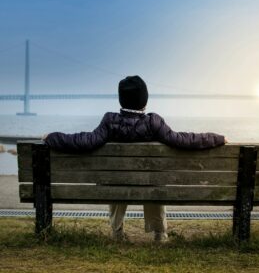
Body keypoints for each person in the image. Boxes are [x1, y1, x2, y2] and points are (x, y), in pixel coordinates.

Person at [44, 75, 226, 242]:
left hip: (117, 183)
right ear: (144, 100)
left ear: (121, 99)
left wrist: (52, 137)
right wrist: (217, 138)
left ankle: (117, 232)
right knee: (154, 182)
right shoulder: (154, 122)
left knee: (115, 180)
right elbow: (183, 140)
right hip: (149, 183)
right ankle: (160, 233)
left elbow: (84, 141)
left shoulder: (110, 121)